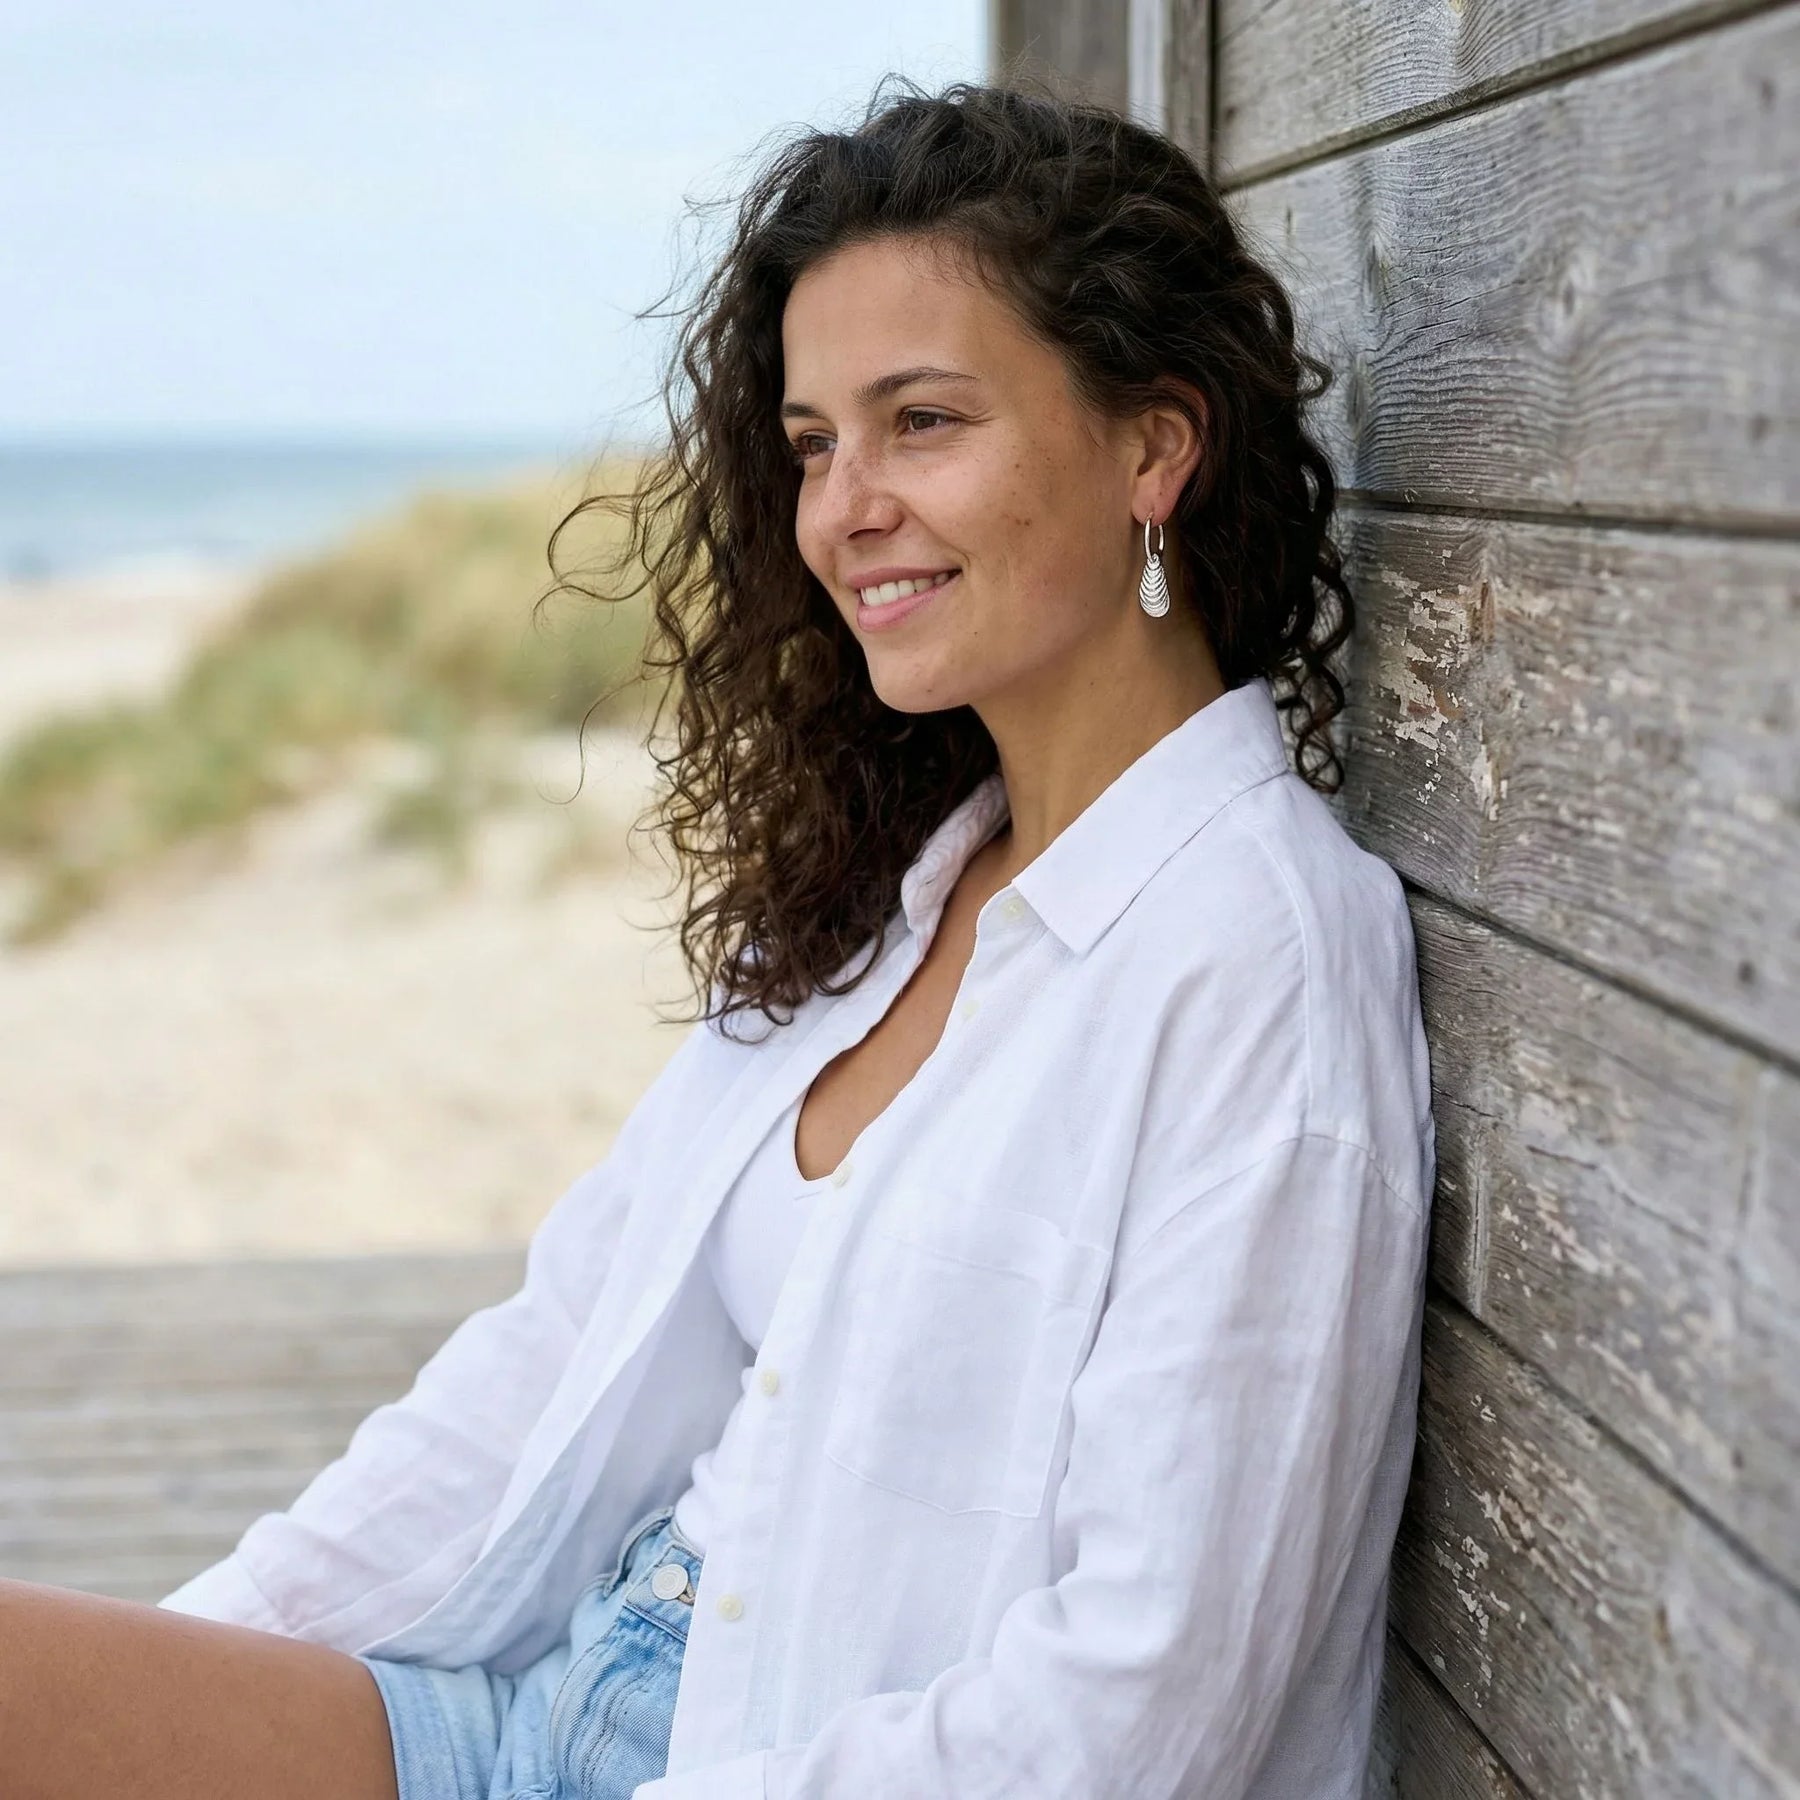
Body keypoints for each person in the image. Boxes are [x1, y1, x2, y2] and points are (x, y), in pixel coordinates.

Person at [0, 75, 1435, 1800]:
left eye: (922, 421)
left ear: (1153, 446)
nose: (843, 510)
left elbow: (1142, 1708)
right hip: (550, 1704)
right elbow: (548, 1366)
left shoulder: (1259, 955)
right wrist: (213, 1661)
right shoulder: (899, 894)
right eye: (816, 442)